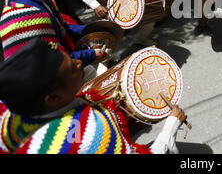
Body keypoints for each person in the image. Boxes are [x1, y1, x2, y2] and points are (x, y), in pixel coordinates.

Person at [0, 38, 187, 154]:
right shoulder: (91, 134)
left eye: (71, 58)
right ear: (53, 98)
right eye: (72, 67)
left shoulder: (7, 116)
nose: (79, 63)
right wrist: (170, 127)